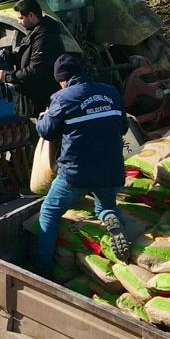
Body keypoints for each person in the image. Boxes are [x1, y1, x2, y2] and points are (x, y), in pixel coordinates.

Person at [34, 53, 130, 278]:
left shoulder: (62, 98)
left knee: (49, 212)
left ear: (62, 79)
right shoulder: (110, 92)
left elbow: (47, 131)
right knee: (104, 205)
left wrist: (43, 118)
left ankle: (41, 270)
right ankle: (108, 215)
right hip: (111, 170)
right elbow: (123, 127)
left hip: (76, 173)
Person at [0, 0, 61, 118]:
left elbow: (35, 69)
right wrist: (10, 57)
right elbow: (30, 58)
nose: (19, 22)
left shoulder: (45, 37)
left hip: (43, 100)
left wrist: (7, 76)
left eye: (21, 18)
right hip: (36, 99)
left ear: (31, 15)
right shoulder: (35, 33)